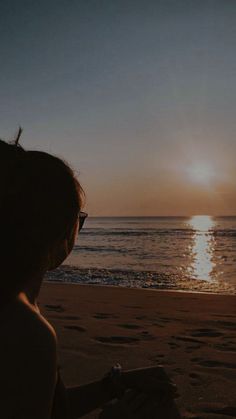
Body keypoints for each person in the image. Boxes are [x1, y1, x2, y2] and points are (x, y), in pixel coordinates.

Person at [0, 133, 180, 419]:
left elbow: (44, 406)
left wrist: (112, 387)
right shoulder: (24, 330)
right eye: (78, 219)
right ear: (59, 230)